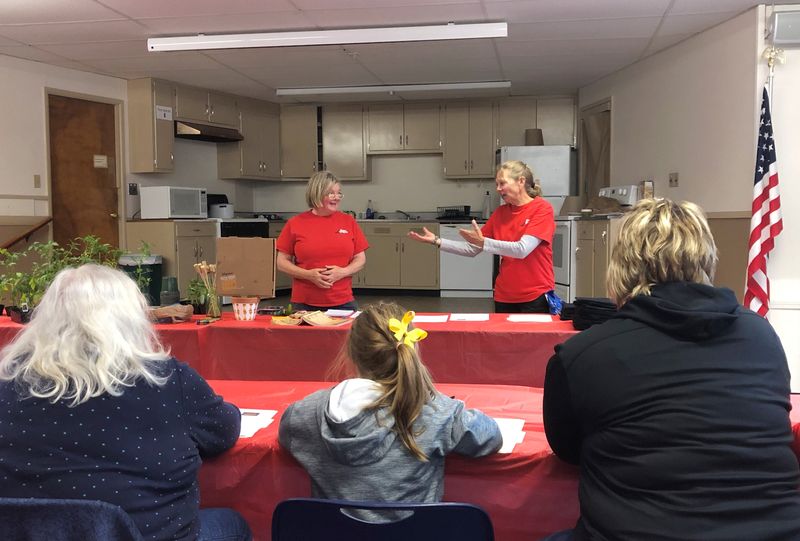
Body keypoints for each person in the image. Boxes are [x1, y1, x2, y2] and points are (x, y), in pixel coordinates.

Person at [541, 199, 800, 541]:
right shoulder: (762, 336)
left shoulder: (581, 355)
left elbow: (568, 451)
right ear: (706, 261)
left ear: (620, 267)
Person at [0, 264, 251, 541]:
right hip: (152, 534)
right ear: (132, 319)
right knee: (232, 522)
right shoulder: (168, 379)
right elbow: (224, 431)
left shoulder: (7, 383)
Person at [278, 302, 502, 515]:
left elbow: (287, 434)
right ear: (410, 350)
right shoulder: (436, 412)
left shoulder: (305, 413)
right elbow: (489, 436)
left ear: (351, 354)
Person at [407, 160, 555, 313]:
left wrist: (484, 242)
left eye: (502, 183)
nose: (498, 189)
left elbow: (522, 250)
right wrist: (437, 241)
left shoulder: (542, 209)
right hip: (504, 295)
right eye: (496, 184)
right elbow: (472, 249)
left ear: (521, 181)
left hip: (535, 295)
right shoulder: (500, 213)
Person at [276, 171, 368, 312]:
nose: (336, 198)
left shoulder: (348, 221)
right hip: (304, 303)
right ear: (317, 193)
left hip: (344, 301)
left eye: (339, 193)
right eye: (331, 193)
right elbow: (281, 263)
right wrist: (308, 275)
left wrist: (342, 272)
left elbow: (360, 258)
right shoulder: (295, 223)